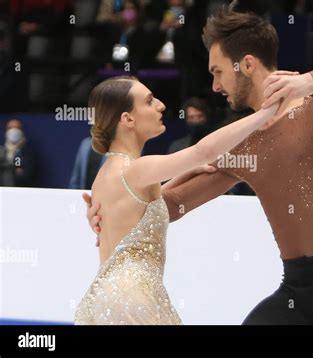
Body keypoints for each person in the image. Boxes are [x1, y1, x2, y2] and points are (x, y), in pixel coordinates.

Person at [85, 6, 313, 324]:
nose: (215, 86)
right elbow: (172, 206)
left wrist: (311, 81)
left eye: (217, 72)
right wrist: (115, 208)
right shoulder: (242, 144)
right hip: (296, 292)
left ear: (246, 64)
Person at [74, 75, 280, 325]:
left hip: (105, 296)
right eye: (149, 102)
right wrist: (266, 112)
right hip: (132, 296)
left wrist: (182, 176)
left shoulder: (108, 173)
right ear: (127, 119)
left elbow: (142, 210)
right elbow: (203, 151)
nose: (161, 106)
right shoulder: (136, 169)